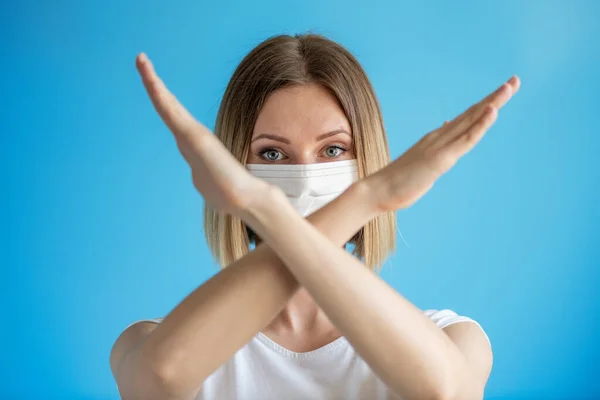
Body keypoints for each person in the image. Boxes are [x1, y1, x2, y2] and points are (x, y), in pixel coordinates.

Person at [109, 34, 520, 400]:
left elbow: (444, 393)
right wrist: (367, 198)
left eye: (333, 150)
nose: (304, 175)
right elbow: (158, 380)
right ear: (234, 164)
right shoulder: (156, 341)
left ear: (367, 160)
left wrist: (267, 207)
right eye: (272, 153)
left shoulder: (452, 337)